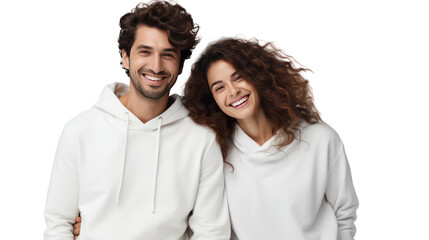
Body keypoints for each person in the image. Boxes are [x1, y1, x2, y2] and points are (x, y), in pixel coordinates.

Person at [44, 1, 230, 239]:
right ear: (125, 57)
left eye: (168, 55)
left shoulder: (201, 138)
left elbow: (211, 232)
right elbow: (59, 222)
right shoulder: (80, 131)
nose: (155, 65)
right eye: (145, 51)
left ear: (181, 64)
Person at [183, 38, 359, 239]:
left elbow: (345, 214)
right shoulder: (216, 153)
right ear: (212, 99)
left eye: (238, 77)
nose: (233, 91)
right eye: (219, 87)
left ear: (257, 75)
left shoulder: (321, 139)